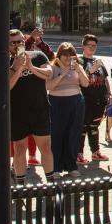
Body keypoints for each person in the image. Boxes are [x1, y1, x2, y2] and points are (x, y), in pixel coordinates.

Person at [9, 29, 55, 184]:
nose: (17, 45)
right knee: (19, 149)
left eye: (20, 41)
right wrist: (18, 68)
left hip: (39, 109)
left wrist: (31, 68)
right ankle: (21, 184)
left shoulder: (37, 55)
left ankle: (50, 183)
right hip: (17, 112)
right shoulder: (6, 60)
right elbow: (7, 86)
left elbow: (49, 73)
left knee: (46, 147)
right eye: (13, 42)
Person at [45, 42, 90, 177]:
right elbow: (49, 87)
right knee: (57, 134)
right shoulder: (52, 68)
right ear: (59, 56)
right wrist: (62, 74)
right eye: (64, 55)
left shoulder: (77, 67)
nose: (67, 58)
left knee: (73, 134)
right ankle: (56, 167)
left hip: (76, 101)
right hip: (57, 102)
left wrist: (79, 70)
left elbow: (86, 83)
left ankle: (71, 165)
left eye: (70, 55)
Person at [79, 35, 111, 163]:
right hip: (85, 99)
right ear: (83, 46)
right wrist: (90, 71)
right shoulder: (79, 61)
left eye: (94, 46)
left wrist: (108, 94)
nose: (92, 48)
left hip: (99, 100)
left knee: (94, 126)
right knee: (82, 127)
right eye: (89, 45)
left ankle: (95, 152)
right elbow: (78, 79)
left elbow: (105, 79)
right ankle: (78, 153)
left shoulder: (98, 61)